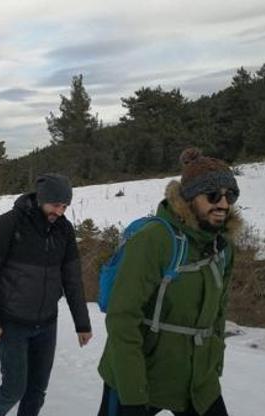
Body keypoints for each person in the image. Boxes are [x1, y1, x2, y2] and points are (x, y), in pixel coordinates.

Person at [97, 148, 240, 416]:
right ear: (188, 198)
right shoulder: (154, 240)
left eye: (229, 195)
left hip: (197, 380)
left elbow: (219, 313)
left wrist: (214, 363)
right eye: (212, 195)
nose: (222, 204)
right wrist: (132, 395)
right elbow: (122, 318)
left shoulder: (223, 247)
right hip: (140, 375)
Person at [0, 173, 92, 416]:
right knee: (14, 388)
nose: (60, 211)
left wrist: (82, 323)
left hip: (47, 324)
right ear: (41, 199)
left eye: (64, 206)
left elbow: (72, 278)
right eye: (55, 205)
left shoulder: (64, 230)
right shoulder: (8, 224)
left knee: (37, 391)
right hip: (12, 323)